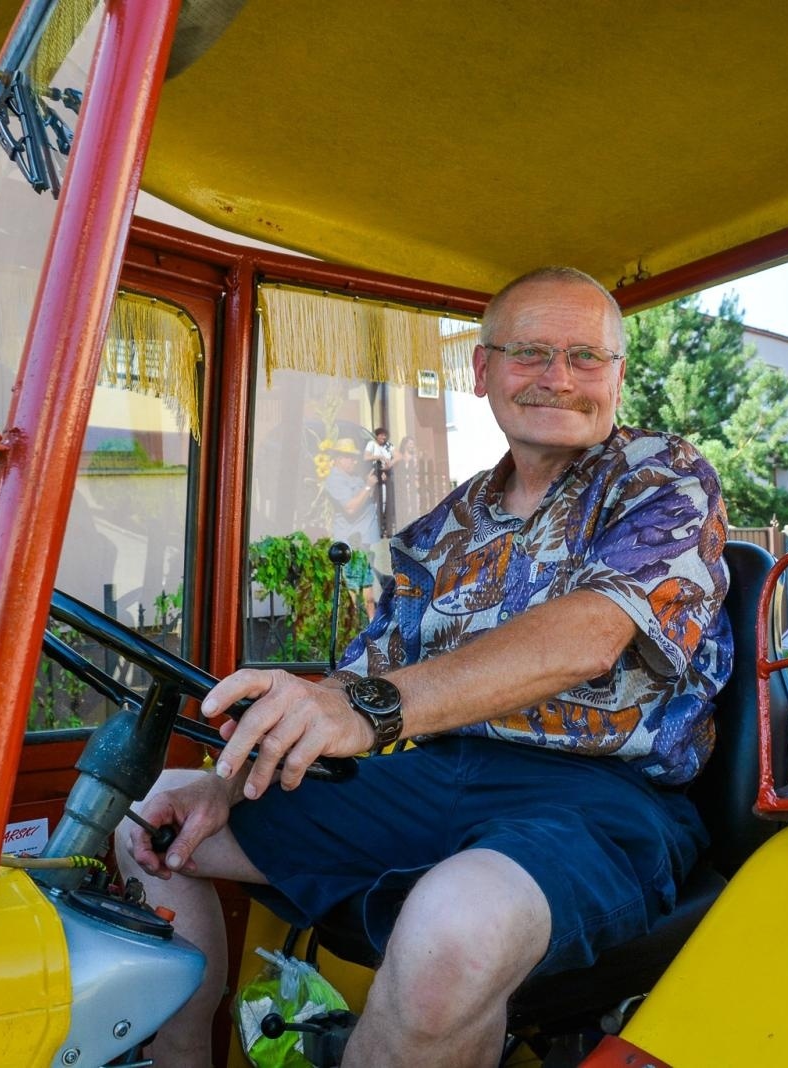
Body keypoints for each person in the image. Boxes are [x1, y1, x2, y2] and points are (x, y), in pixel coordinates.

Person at [118, 266, 731, 1068]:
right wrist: (228, 781)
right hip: (432, 778)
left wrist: (371, 710)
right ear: (482, 372)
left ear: (618, 374)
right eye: (532, 352)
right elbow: (357, 677)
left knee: (454, 930)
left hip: (603, 803)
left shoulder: (662, 478)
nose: (559, 377)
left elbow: (589, 637)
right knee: (157, 816)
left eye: (587, 357)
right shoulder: (443, 528)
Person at [322, 437, 383, 621]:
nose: (354, 461)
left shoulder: (353, 476)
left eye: (355, 457)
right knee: (355, 597)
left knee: (369, 597)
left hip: (363, 545)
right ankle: (356, 633)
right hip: (350, 547)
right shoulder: (334, 480)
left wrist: (373, 483)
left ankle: (371, 631)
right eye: (349, 457)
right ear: (338, 458)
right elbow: (350, 508)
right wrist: (368, 486)